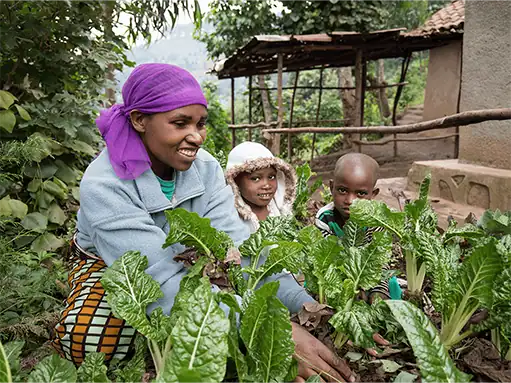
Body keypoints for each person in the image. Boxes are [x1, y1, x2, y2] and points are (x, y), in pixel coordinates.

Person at [51, 63, 354, 383]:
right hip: (115, 267)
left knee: (212, 318)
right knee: (91, 344)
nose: (196, 137)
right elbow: (156, 278)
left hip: (191, 261)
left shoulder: (205, 168)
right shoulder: (104, 182)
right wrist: (269, 331)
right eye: (180, 123)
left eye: (201, 123)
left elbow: (240, 246)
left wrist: (305, 305)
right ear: (140, 120)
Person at [315, 153, 402, 301]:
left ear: (373, 194)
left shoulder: (377, 221)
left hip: (371, 275)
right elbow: (324, 259)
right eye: (342, 190)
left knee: (390, 285)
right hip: (336, 276)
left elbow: (379, 261)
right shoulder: (325, 218)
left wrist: (376, 291)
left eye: (360, 193)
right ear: (331, 187)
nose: (350, 200)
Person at [225, 141, 296, 233]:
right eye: (255, 178)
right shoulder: (229, 218)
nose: (266, 185)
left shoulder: (280, 209)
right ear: (235, 182)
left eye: (271, 177)